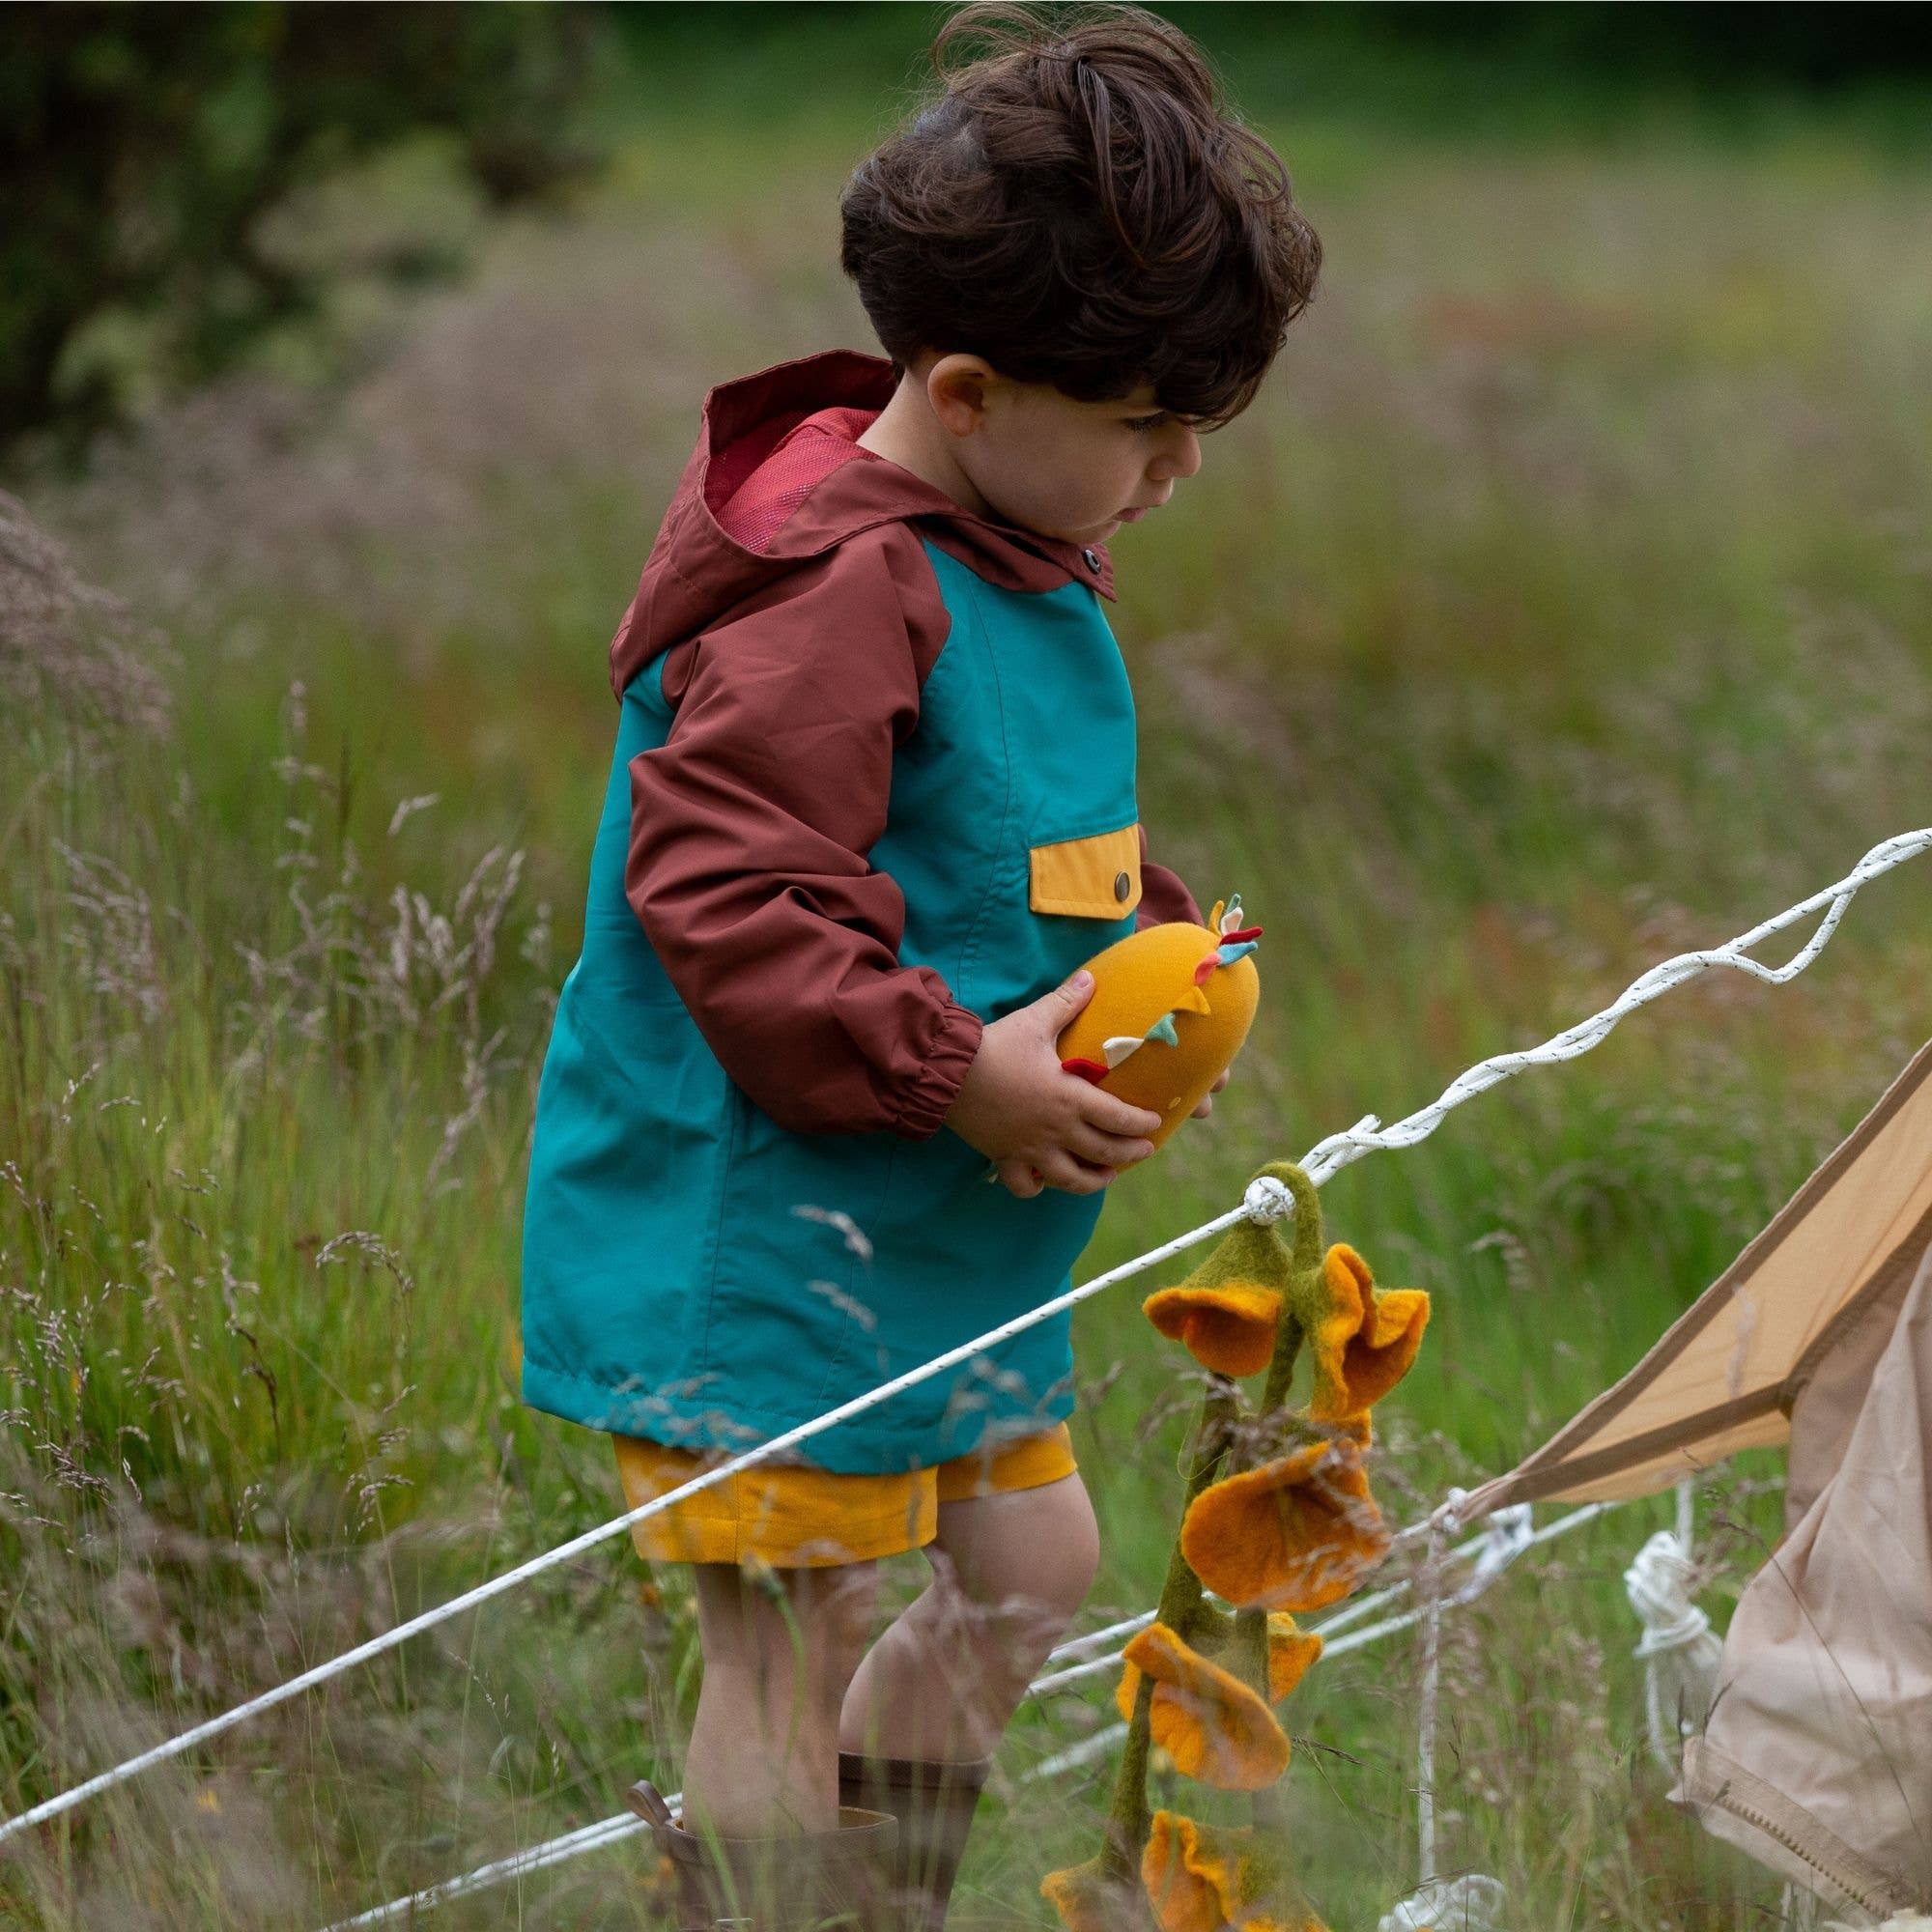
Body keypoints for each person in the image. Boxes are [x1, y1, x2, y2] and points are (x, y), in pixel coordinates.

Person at [517, 5, 1320, 1925]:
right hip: (769, 1231)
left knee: (1024, 1574)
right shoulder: (828, 584)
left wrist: (1142, 946)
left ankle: (878, 1901)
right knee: (790, 1637)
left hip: (934, 1233)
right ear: (964, 388)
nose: (1175, 473)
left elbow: (984, 840)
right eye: (1143, 427)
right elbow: (725, 888)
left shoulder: (1010, 545)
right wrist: (959, 1069)